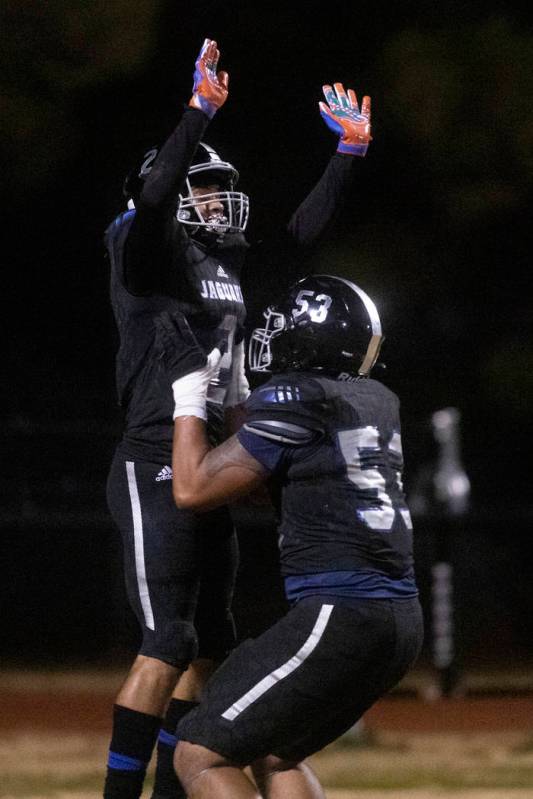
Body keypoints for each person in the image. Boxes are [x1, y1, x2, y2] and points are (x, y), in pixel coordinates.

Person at [103, 33, 372, 799]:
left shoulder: (215, 264)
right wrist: (196, 110)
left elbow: (296, 238)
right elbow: (156, 198)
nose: (216, 200)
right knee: (169, 636)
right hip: (154, 454)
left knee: (211, 644)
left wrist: (346, 157)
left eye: (219, 189)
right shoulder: (138, 244)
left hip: (210, 451)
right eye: (203, 188)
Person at [166, 274, 424, 799]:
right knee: (275, 751)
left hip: (341, 610)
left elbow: (192, 488)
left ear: (314, 333)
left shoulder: (296, 396)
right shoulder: (376, 398)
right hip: (399, 618)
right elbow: (275, 481)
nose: (273, 337)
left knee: (200, 752)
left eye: (285, 327)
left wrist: (189, 401)